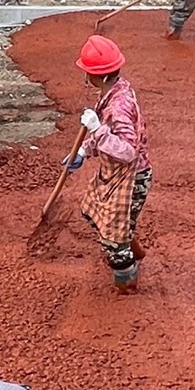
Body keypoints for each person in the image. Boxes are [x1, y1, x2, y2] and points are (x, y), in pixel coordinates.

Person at [68, 36, 151, 293]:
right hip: (114, 172)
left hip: (130, 176)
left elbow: (126, 151)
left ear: (98, 76)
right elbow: (108, 133)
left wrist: (97, 130)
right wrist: (84, 149)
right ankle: (132, 247)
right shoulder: (116, 90)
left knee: (114, 243)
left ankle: (127, 280)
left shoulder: (118, 107)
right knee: (92, 213)